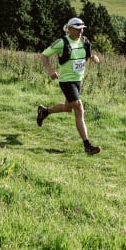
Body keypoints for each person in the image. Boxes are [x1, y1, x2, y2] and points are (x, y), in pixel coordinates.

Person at [36, 17, 103, 154]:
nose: (81, 31)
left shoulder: (84, 41)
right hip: (66, 81)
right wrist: (50, 71)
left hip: (79, 80)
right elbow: (44, 55)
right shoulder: (62, 42)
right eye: (78, 29)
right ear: (69, 29)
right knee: (78, 108)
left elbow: (87, 55)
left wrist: (93, 57)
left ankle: (45, 111)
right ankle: (87, 146)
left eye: (82, 29)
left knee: (68, 107)